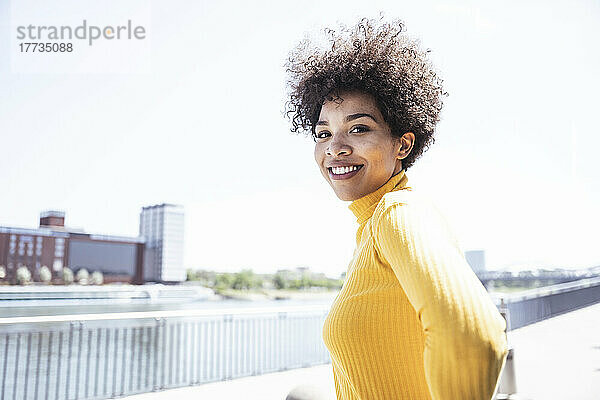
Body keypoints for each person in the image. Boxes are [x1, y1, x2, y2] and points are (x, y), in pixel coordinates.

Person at [284, 16, 509, 400]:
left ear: (402, 145)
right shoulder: (371, 226)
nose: (334, 147)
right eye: (323, 133)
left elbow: (476, 336)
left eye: (358, 129)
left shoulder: (397, 213)